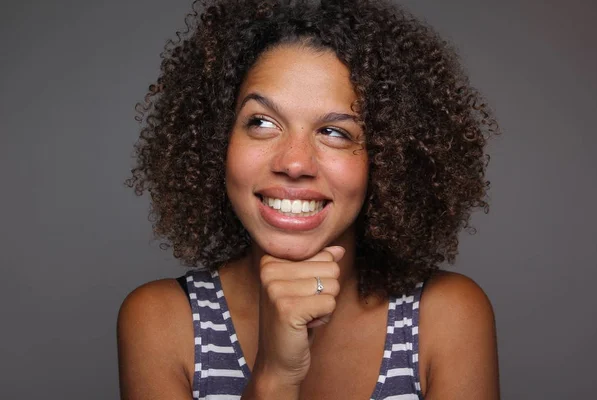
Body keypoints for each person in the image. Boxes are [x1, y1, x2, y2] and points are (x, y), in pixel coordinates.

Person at [117, 0, 500, 399]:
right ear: (216, 141)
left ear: (389, 157)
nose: (295, 162)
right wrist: (275, 376)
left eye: (335, 132)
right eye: (262, 122)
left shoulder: (447, 316)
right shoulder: (162, 321)